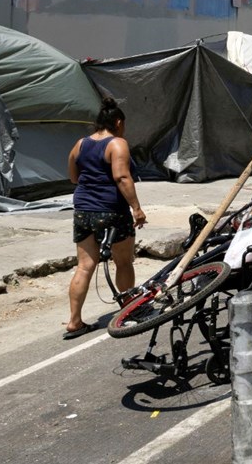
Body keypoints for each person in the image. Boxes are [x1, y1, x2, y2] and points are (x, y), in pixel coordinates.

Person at [64, 97, 146, 339]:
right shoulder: (117, 144)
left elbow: (73, 176)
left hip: (83, 210)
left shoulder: (81, 144)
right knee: (123, 262)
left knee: (84, 265)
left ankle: (74, 321)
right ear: (118, 122)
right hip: (111, 210)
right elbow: (122, 177)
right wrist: (137, 208)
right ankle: (129, 309)